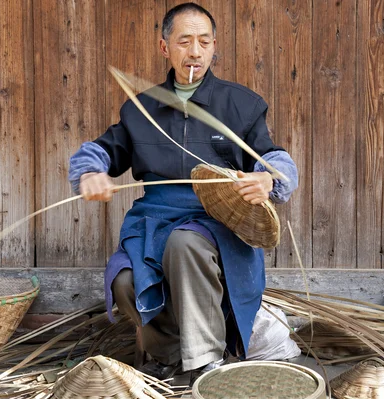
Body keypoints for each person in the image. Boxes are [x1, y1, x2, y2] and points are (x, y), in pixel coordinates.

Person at [68, 2, 298, 381]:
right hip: (154, 222)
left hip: (217, 223)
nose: (195, 52)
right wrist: (89, 172)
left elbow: (274, 157)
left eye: (204, 42)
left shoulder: (240, 104)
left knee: (185, 242)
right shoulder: (140, 109)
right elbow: (102, 150)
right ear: (165, 48)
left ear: (213, 47)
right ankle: (167, 356)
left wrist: (269, 179)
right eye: (185, 41)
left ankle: (206, 365)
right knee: (125, 280)